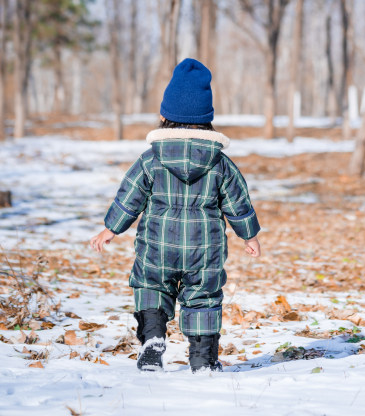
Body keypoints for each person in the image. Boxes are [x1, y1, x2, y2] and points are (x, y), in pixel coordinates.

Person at [90, 58, 261, 372]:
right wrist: (249, 235)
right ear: (207, 119)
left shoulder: (151, 159)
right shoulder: (220, 163)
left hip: (158, 246)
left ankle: (153, 339)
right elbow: (238, 202)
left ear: (163, 116)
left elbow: (130, 196)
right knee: (203, 297)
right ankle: (204, 359)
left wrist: (110, 229)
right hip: (205, 250)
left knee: (151, 287)